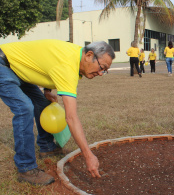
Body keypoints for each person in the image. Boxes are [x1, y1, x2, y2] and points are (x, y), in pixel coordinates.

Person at [0, 39, 115, 185]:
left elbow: (46, 63)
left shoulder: (76, 56)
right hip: (4, 65)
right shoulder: (68, 65)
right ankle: (26, 168)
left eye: (104, 71)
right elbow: (71, 118)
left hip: (18, 69)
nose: (100, 73)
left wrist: (47, 91)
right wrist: (88, 155)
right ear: (89, 55)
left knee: (42, 103)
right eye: (101, 67)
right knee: (24, 108)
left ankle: (47, 147)